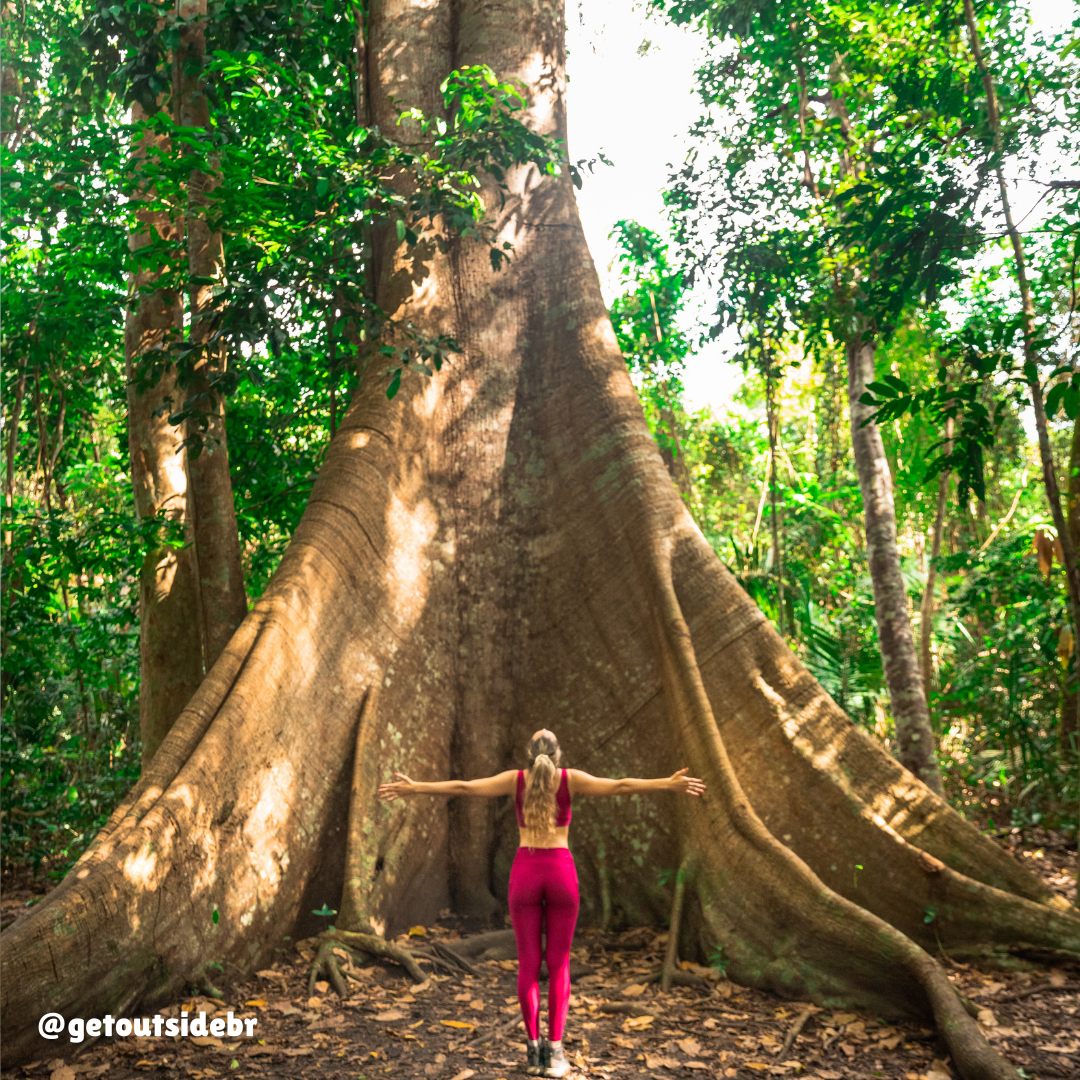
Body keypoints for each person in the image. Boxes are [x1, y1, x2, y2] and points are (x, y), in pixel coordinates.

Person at [377, 729, 706, 1077]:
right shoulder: (570, 779)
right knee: (560, 964)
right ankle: (557, 1054)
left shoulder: (515, 779)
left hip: (525, 875)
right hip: (561, 874)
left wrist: (415, 788)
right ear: (558, 755)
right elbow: (621, 785)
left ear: (528, 755)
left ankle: (534, 1052)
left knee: (529, 965)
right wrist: (667, 784)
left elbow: (464, 787)